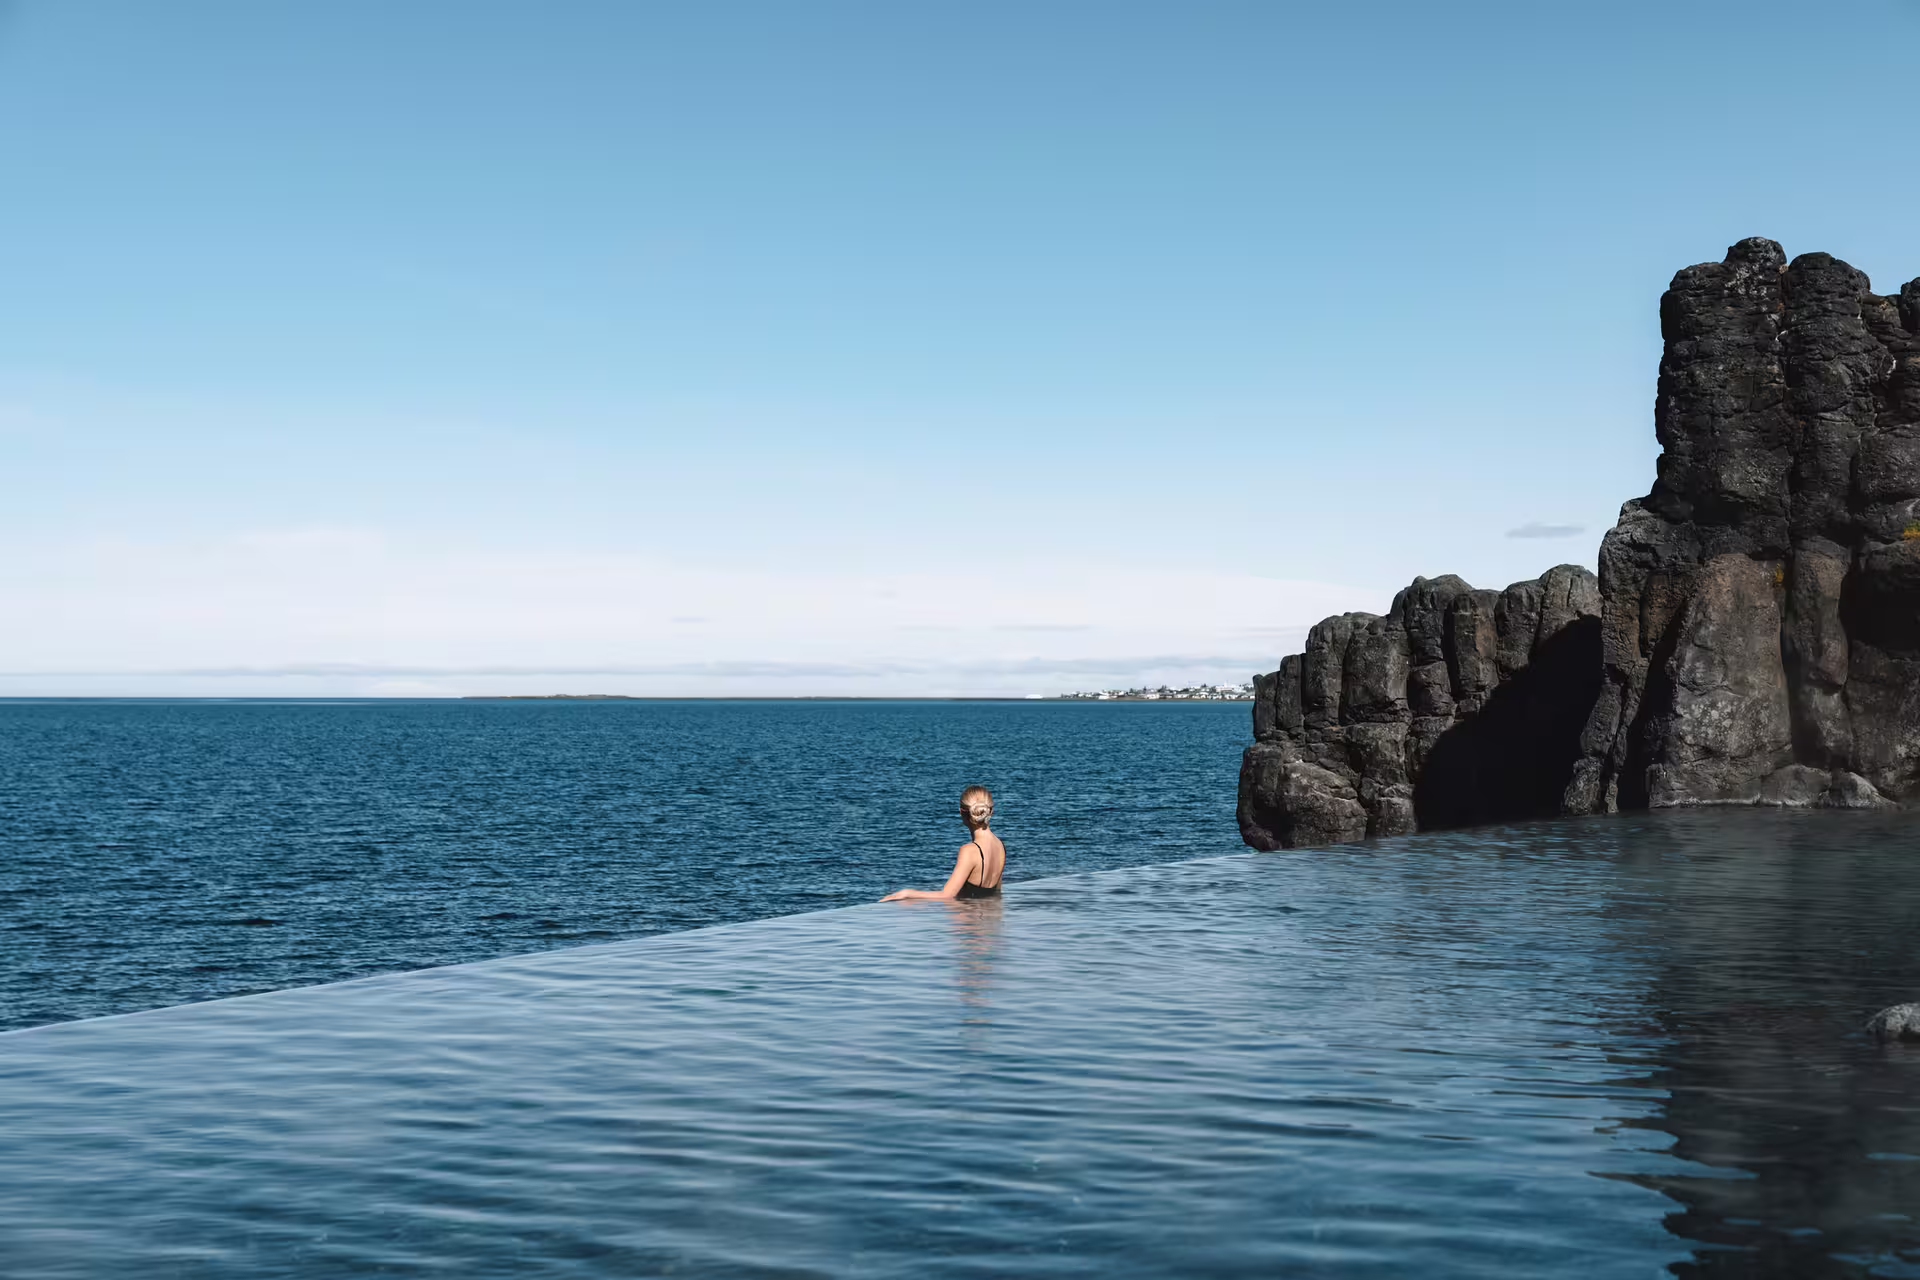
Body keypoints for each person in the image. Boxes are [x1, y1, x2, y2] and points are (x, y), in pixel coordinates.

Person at [880, 785, 1005, 902]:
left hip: (970, 922)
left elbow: (947, 895)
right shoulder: (1000, 846)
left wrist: (908, 893)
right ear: (991, 811)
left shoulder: (970, 851)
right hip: (989, 922)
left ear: (961, 813)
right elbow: (997, 893)